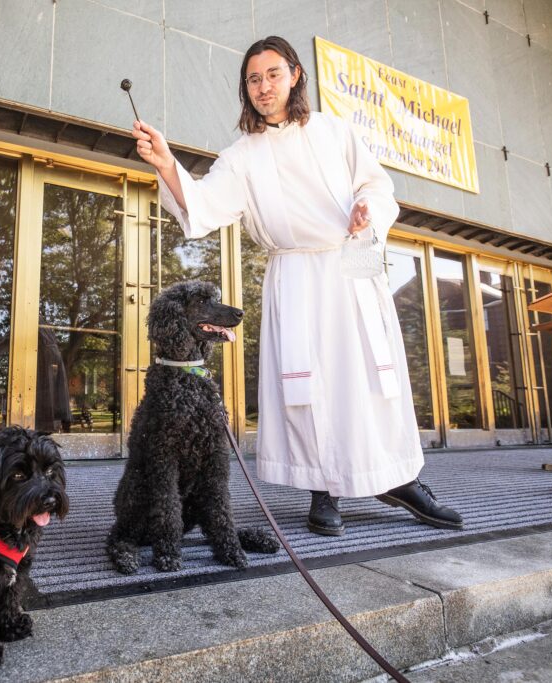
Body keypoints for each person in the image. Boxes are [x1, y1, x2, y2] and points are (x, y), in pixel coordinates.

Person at [132, 35, 463, 536]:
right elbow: (203, 206)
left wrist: (366, 212)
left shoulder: (335, 131)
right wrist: (164, 162)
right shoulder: (242, 156)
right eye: (253, 79)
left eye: (272, 74)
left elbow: (377, 185)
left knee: (372, 377)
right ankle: (323, 488)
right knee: (311, 385)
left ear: (295, 75)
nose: (263, 86)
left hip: (352, 262)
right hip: (297, 276)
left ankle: (398, 478)